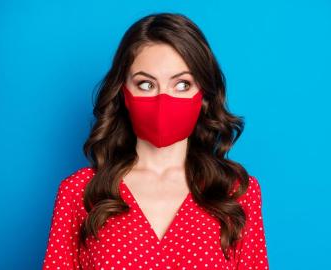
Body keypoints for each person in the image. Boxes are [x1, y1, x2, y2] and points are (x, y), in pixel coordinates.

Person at [42, 12, 269, 269]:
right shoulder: (79, 192)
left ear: (204, 94)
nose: (163, 99)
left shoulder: (236, 191)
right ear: (122, 93)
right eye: (146, 84)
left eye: (182, 84)